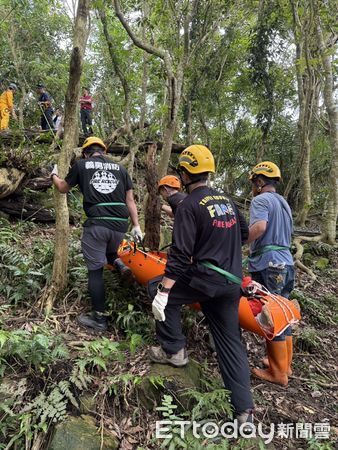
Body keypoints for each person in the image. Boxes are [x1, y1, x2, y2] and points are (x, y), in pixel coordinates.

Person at [149, 144, 254, 426]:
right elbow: (244, 233)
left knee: (155, 288)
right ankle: (244, 412)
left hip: (206, 280)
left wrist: (165, 290)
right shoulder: (227, 201)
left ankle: (174, 350)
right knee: (230, 342)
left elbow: (180, 254)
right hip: (231, 282)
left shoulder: (189, 205)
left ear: (183, 173)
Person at [50, 136, 143, 331]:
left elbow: (62, 188)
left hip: (97, 225)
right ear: (104, 152)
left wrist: (54, 175)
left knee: (95, 271)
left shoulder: (82, 165)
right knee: (109, 252)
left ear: (85, 152)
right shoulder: (121, 169)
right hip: (120, 225)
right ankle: (119, 264)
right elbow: (130, 201)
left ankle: (99, 319)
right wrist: (136, 226)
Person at [246, 161, 295, 386]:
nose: (254, 187)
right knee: (283, 315)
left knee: (272, 317)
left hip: (269, 264)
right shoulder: (283, 203)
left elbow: (260, 228)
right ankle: (285, 365)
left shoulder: (260, 200)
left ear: (259, 181)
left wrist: (240, 240)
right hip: (286, 263)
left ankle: (278, 373)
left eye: (255, 182)